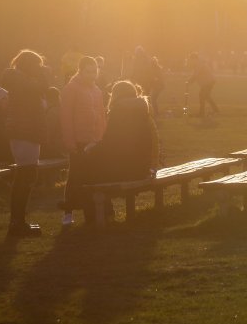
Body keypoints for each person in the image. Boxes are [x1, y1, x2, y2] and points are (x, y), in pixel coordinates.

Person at [81, 81, 159, 221]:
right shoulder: (143, 110)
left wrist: (91, 149)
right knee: (97, 168)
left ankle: (100, 215)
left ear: (115, 95)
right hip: (141, 169)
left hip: (125, 171)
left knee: (89, 172)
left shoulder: (118, 110)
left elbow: (110, 143)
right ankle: (106, 212)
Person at [2, 49, 49, 237]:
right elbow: (42, 88)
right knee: (25, 176)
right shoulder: (23, 83)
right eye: (37, 65)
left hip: (26, 132)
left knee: (26, 176)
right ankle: (17, 222)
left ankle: (18, 221)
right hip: (25, 132)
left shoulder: (21, 82)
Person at [59, 56, 107, 226]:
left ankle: (91, 212)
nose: (92, 75)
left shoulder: (97, 91)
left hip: (94, 141)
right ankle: (68, 211)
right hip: (79, 140)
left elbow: (101, 116)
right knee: (75, 176)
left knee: (92, 177)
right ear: (80, 70)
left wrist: (101, 138)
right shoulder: (71, 89)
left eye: (94, 71)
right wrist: (69, 141)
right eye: (88, 71)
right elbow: (66, 117)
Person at [187, 52, 218, 117]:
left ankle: (202, 113)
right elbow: (194, 74)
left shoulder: (199, 64)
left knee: (202, 95)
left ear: (194, 59)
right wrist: (189, 81)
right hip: (208, 82)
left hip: (209, 82)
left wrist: (189, 81)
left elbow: (196, 75)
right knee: (206, 96)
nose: (191, 61)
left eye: (191, 60)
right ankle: (215, 109)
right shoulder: (197, 64)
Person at [41, 87, 66, 159]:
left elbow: (48, 133)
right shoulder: (63, 109)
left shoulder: (52, 112)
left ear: (47, 98)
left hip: (56, 148)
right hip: (65, 146)